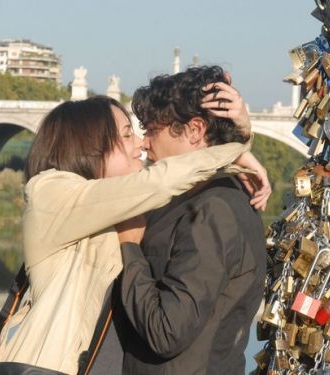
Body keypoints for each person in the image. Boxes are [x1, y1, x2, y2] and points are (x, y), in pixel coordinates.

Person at [0, 91, 268, 374]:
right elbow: (160, 182)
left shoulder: (125, 210)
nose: (140, 143)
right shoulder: (50, 195)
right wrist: (235, 148)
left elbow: (174, 178)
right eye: (127, 134)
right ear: (89, 146)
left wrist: (232, 142)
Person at [113, 66, 267, 375]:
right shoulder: (200, 199)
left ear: (195, 131)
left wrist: (130, 248)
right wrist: (240, 144)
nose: (144, 143)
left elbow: (167, 331)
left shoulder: (213, 210)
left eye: (152, 130)